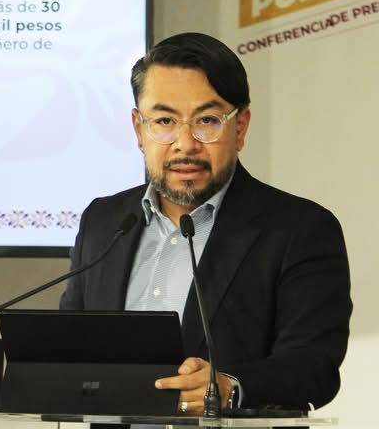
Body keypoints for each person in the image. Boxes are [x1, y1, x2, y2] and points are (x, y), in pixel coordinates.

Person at [59, 32, 351, 416]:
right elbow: (69, 351)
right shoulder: (104, 221)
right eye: (164, 121)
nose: (185, 143)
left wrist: (230, 387)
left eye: (207, 121)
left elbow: (314, 366)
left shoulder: (300, 230)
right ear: (139, 129)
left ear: (240, 127)